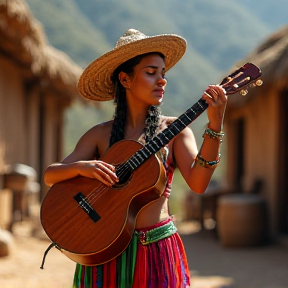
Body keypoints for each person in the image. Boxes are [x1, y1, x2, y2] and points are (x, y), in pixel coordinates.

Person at [44, 28, 227, 288]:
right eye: (151, 73)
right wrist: (84, 167)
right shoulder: (99, 134)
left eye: (163, 74)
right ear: (125, 79)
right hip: (102, 248)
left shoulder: (174, 131)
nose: (161, 80)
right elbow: (51, 174)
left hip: (158, 251)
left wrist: (215, 125)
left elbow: (199, 184)